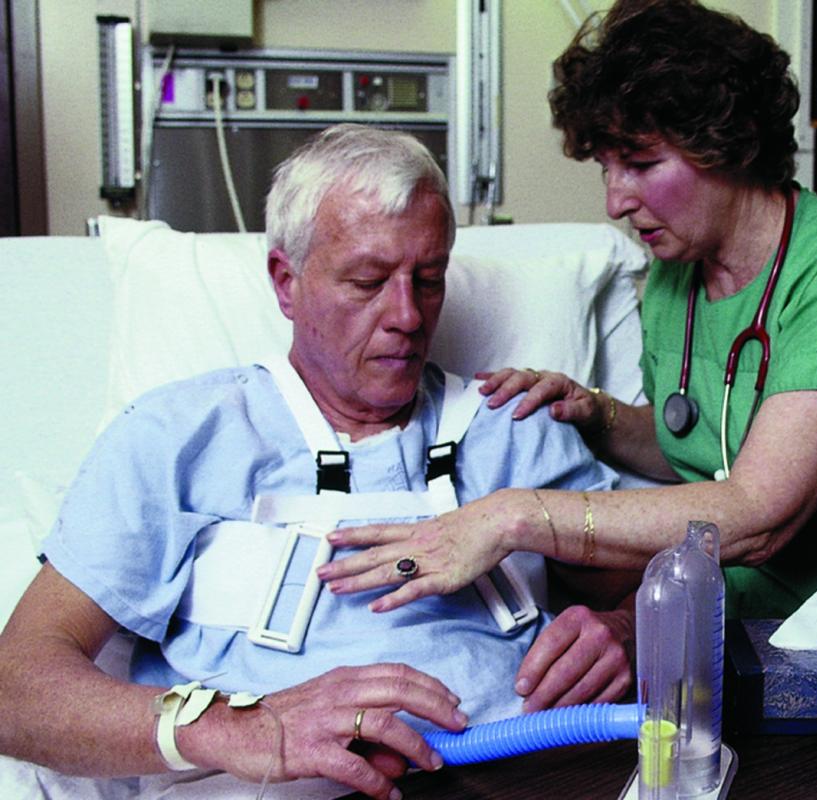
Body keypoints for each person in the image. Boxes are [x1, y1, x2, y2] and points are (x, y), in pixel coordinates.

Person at [0, 124, 631, 800]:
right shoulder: (176, 437)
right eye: (366, 281)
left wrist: (627, 633)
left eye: (427, 279)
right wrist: (237, 728)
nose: (407, 316)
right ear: (285, 282)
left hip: (514, 773)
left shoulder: (511, 427)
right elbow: (17, 688)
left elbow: (661, 587)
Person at [317, 0, 817, 631]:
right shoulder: (675, 271)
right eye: (606, 167)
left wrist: (511, 517)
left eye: (640, 164)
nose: (615, 201)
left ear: (728, 141)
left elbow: (759, 511)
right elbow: (707, 442)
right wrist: (597, 415)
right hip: (732, 605)